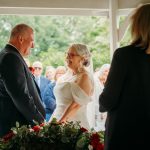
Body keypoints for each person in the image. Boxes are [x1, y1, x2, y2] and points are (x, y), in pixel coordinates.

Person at [99, 4, 150, 150]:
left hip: (126, 135)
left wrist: (102, 103)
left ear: (138, 25)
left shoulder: (124, 55)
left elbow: (109, 99)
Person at [0, 24, 45, 137]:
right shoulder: (11, 57)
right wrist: (40, 122)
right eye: (31, 41)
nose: (33, 45)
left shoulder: (7, 54)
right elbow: (21, 96)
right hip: (15, 128)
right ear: (20, 39)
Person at [50, 43, 94, 129]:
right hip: (56, 117)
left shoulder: (84, 77)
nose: (67, 57)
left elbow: (76, 105)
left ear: (82, 58)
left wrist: (59, 123)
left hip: (72, 125)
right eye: (67, 54)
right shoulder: (66, 76)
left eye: (72, 55)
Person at [94, 64, 110, 131]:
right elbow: (96, 98)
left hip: (103, 110)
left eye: (109, 71)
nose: (107, 73)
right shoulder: (95, 81)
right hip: (96, 108)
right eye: (105, 71)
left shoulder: (107, 81)